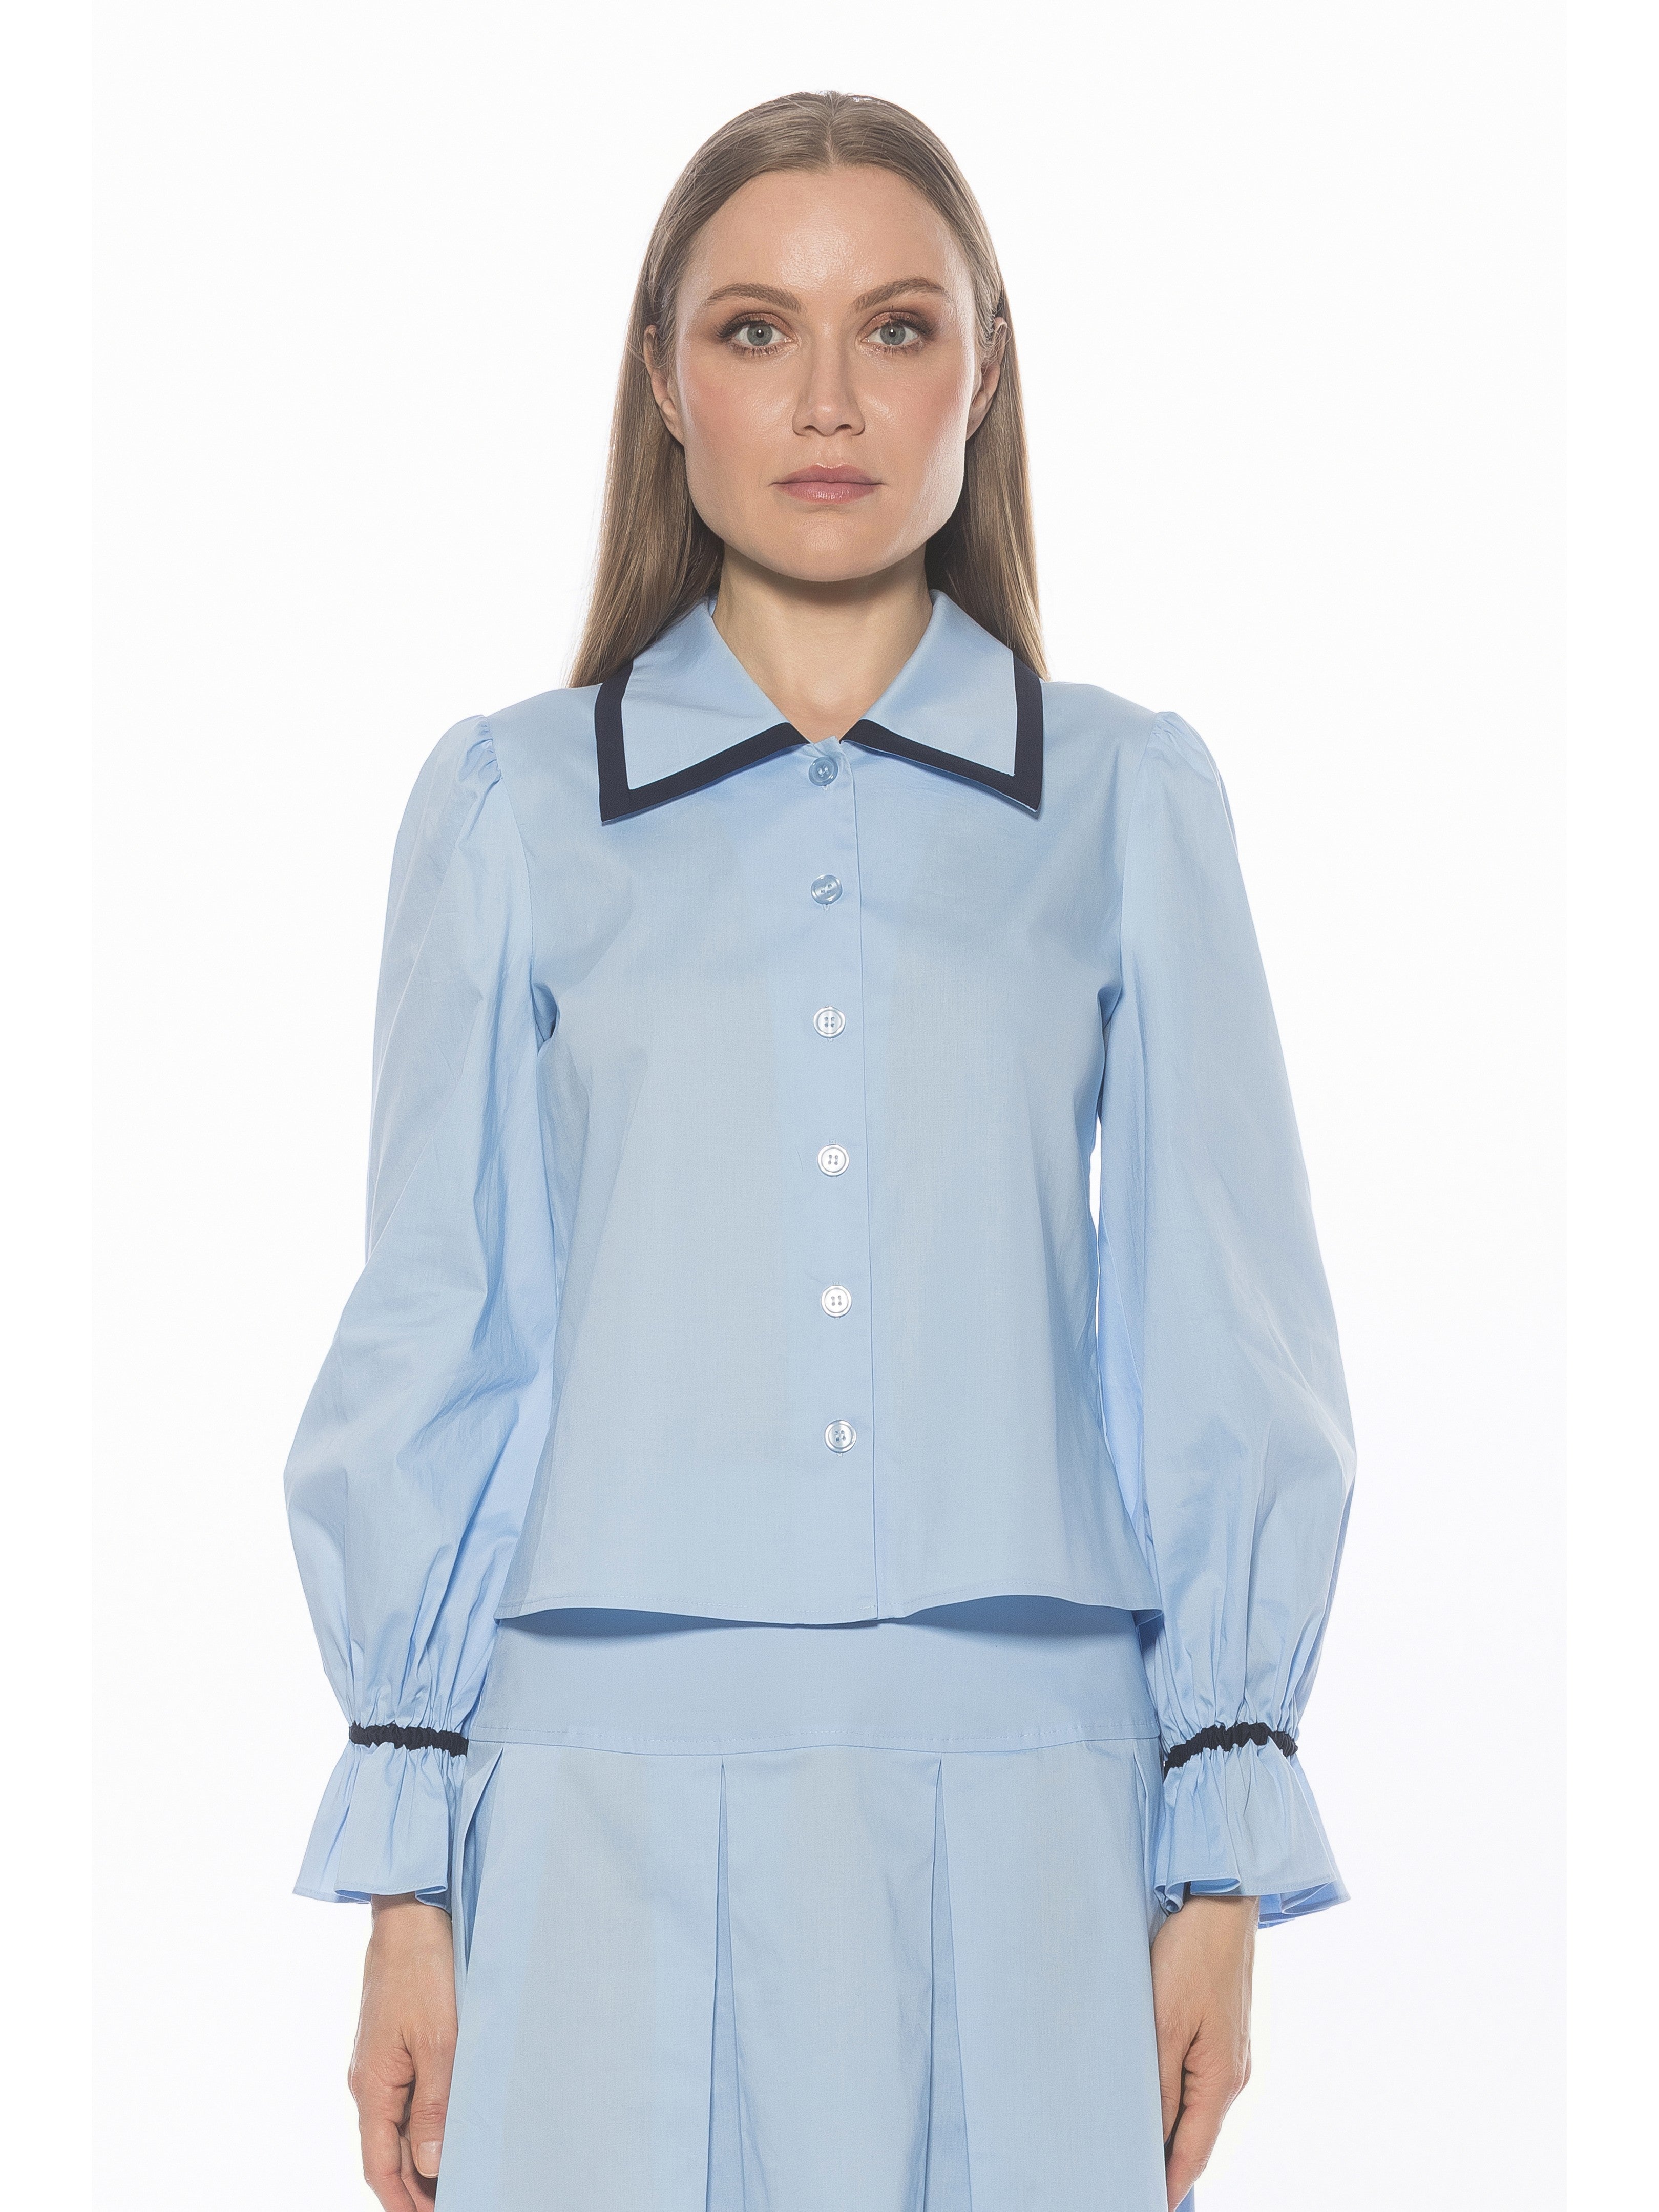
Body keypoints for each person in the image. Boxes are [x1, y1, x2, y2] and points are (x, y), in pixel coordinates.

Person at [285, 89, 1354, 2212]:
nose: (831, 400)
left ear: (987, 370)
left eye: (899, 326)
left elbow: (1223, 1335)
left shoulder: (1127, 800)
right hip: (595, 1793)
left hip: (1033, 1791)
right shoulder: (511, 807)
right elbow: (440, 1326)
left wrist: (1223, 1847)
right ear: (665, 379)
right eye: (758, 329)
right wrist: (409, 1875)